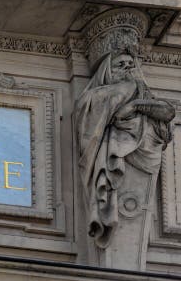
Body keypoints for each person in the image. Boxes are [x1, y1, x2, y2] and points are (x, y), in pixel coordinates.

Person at [73, 49, 175, 248]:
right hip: (110, 155)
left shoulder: (140, 95)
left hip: (140, 155)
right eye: (120, 65)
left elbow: (168, 111)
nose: (127, 69)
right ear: (106, 73)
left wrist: (137, 105)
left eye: (131, 65)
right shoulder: (96, 96)